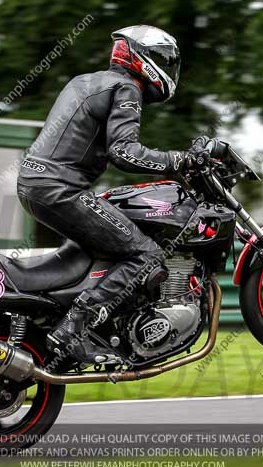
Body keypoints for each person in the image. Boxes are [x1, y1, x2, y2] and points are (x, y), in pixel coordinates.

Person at [17, 25, 202, 361]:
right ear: (144, 57)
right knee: (146, 254)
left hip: (35, 183)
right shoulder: (126, 87)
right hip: (60, 189)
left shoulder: (85, 81)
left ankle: (82, 322)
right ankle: (73, 329)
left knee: (111, 242)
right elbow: (124, 152)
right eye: (163, 58)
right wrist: (179, 159)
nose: (167, 67)